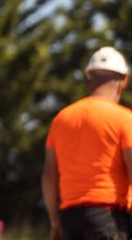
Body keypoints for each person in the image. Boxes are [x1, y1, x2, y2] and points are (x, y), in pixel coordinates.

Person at [42, 46, 132, 240]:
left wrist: (55, 222)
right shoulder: (125, 120)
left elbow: (49, 175)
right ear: (123, 81)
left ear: (89, 78)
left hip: (69, 219)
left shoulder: (61, 119)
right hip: (109, 218)